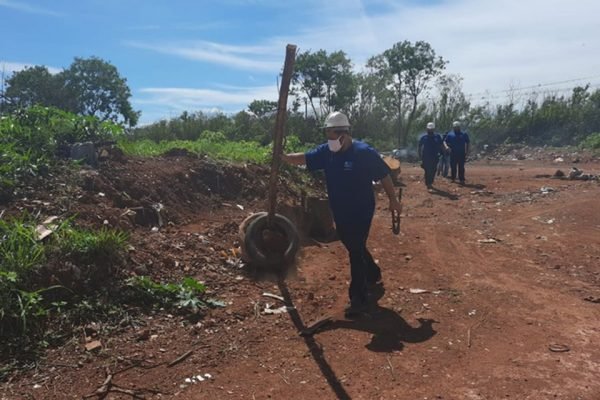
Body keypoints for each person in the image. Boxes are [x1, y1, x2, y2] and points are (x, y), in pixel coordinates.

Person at [282, 111, 402, 318]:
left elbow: (384, 175)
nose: (329, 140)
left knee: (355, 249)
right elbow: (303, 158)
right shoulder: (327, 152)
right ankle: (372, 272)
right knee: (351, 243)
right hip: (340, 208)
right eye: (327, 135)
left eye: (332, 136)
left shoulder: (364, 153)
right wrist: (283, 157)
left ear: (344, 134)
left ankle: (359, 298)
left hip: (362, 208)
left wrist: (393, 200)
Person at [418, 122, 446, 191]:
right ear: (427, 129)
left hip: (435, 157)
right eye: (429, 129)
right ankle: (428, 183)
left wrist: (444, 151)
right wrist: (420, 157)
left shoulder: (437, 137)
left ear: (433, 129)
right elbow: (419, 147)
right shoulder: (424, 138)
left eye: (431, 129)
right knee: (428, 170)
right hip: (426, 157)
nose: (430, 130)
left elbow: (441, 145)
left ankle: (430, 181)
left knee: (434, 170)